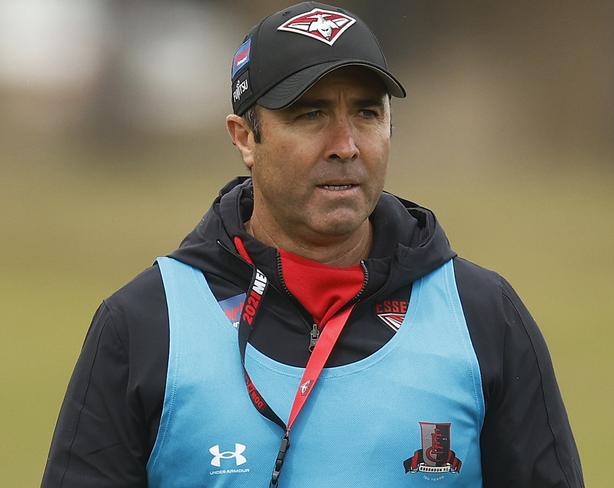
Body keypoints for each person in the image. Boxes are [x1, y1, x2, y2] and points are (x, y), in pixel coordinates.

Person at [42, 2, 584, 487]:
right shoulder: (144, 324)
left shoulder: (484, 316)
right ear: (243, 137)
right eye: (311, 114)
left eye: (367, 113)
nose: (346, 145)